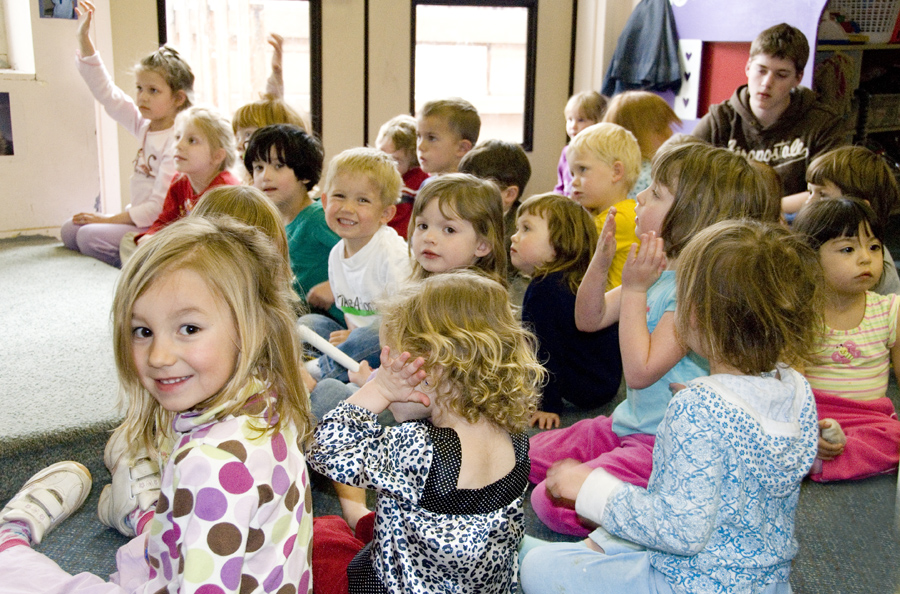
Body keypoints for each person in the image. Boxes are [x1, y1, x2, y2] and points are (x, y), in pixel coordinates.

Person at [0, 216, 315, 594]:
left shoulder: (210, 464)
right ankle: (151, 514)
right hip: (219, 564)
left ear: (253, 327)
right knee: (148, 551)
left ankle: (11, 537)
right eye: (143, 331)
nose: (159, 356)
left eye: (189, 329)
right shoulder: (270, 396)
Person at [520, 219, 821, 594]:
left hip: (687, 582)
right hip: (763, 581)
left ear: (697, 315)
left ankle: (562, 557)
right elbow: (799, 461)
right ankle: (588, 553)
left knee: (536, 570)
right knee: (628, 529)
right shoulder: (796, 386)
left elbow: (680, 530)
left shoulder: (698, 406)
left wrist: (590, 488)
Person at [530, 141, 768, 536]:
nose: (639, 196)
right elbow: (587, 319)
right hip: (625, 424)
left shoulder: (694, 292)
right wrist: (601, 261)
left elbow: (640, 373)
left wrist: (636, 289)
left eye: (655, 192)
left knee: (551, 503)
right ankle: (613, 483)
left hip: (663, 444)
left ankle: (653, 511)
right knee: (524, 455)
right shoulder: (653, 268)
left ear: (693, 214)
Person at [307, 271, 544, 594]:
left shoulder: (420, 448)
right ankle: (359, 516)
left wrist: (378, 392)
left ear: (431, 371)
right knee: (368, 523)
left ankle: (354, 516)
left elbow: (324, 447)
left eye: (390, 370)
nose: (382, 377)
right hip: (479, 583)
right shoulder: (515, 435)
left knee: (322, 537)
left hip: (403, 584)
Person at [62, 0, 193, 267]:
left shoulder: (178, 141)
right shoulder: (144, 125)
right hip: (137, 218)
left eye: (153, 91)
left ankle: (148, 265)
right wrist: (83, 39)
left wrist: (106, 220)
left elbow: (158, 209)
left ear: (178, 98)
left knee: (88, 237)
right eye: (140, 88)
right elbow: (108, 94)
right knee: (69, 230)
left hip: (159, 226)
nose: (142, 97)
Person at [793, 198, 900, 482]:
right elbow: (792, 386)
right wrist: (807, 429)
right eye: (848, 249)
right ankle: (822, 452)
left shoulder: (891, 310)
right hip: (816, 412)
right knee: (775, 434)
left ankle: (820, 462)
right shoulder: (801, 314)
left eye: (874, 247)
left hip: (870, 418)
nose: (866, 258)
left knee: (893, 437)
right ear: (810, 258)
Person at [692, 22, 846, 203]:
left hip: (793, 222)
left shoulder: (823, 123)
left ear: (798, 78)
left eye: (781, 75)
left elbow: (830, 190)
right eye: (761, 70)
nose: (767, 83)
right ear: (748, 67)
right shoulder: (719, 120)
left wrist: (772, 210)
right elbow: (683, 176)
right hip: (729, 222)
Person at [511, 193, 622, 430]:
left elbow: (546, 350)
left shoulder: (544, 289)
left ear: (558, 247)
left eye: (526, 229)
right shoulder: (569, 282)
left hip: (585, 389)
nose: (514, 236)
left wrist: (547, 404)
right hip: (604, 380)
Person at [301, 147, 411, 383]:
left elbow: (404, 322)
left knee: (370, 336)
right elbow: (349, 311)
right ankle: (335, 370)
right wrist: (351, 335)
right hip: (354, 342)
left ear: (386, 213)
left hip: (390, 343)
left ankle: (316, 372)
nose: (347, 208)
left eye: (362, 200)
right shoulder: (336, 254)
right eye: (339, 196)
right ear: (324, 201)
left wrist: (355, 338)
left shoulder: (392, 254)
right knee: (307, 324)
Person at [244, 124, 343, 320]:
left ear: (304, 174)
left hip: (334, 325)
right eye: (258, 167)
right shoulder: (268, 224)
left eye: (278, 166)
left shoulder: (318, 218)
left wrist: (335, 287)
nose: (265, 176)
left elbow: (366, 257)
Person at [119, 105, 239, 263]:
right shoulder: (180, 182)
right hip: (183, 247)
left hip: (211, 257)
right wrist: (152, 236)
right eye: (177, 137)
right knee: (130, 241)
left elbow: (220, 244)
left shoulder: (225, 190)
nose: (179, 145)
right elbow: (165, 219)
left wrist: (169, 245)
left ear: (217, 156)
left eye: (192, 141)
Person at [803, 145, 900, 295]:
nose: (809, 203)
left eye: (822, 195)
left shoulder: (877, 264)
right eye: (810, 192)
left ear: (860, 206)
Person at [567, 122, 642, 289]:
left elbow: (565, 246)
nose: (574, 181)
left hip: (614, 311)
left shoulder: (618, 219)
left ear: (616, 172)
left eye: (583, 170)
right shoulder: (616, 213)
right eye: (572, 173)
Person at [408, 173, 507, 283]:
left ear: (482, 246)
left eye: (449, 230)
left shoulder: (479, 299)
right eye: (423, 226)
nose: (428, 237)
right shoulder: (417, 284)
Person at [601, 90, 681, 199]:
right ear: (635, 136)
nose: (669, 133)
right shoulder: (649, 178)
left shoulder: (605, 172)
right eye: (659, 129)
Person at [375, 115, 429, 239]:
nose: (385, 163)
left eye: (396, 160)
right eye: (381, 155)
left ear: (413, 163)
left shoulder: (417, 182)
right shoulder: (375, 176)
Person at [556, 91, 608, 197]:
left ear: (599, 122)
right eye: (570, 119)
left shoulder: (602, 153)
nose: (573, 126)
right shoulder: (567, 151)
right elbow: (560, 186)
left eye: (581, 120)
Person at [415, 97, 480, 175]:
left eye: (432, 138)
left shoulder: (470, 187)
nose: (420, 146)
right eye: (419, 136)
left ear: (462, 148)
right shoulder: (427, 183)